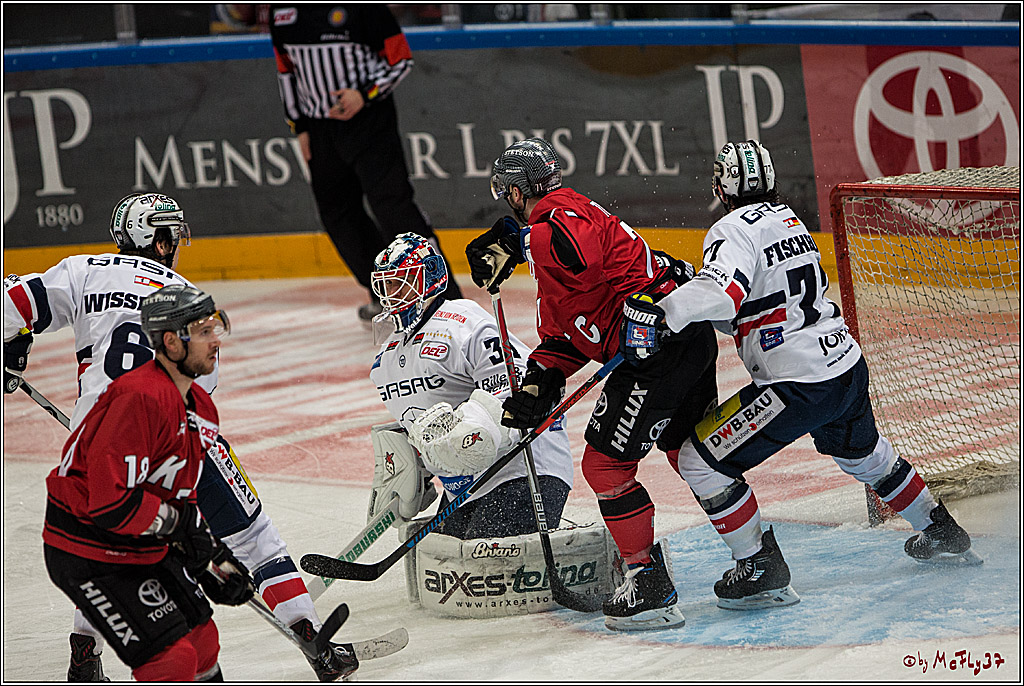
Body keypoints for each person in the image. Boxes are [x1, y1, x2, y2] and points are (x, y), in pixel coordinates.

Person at [3, 193, 358, 682]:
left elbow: (9, 304)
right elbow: (201, 385)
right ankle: (312, 637)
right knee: (252, 536)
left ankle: (85, 651)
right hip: (176, 435)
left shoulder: (85, 270)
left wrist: (14, 343)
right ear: (161, 239)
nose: (174, 246)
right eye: (171, 236)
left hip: (96, 447)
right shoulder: (186, 295)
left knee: (117, 547)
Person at [618, 139, 978, 611]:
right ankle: (941, 529)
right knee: (865, 455)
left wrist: (663, 313)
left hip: (796, 382)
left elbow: (724, 295)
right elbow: (752, 306)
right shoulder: (790, 220)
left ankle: (759, 565)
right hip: (845, 366)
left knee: (699, 461)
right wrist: (694, 288)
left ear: (723, 186)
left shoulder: (729, 228)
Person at [464, 138, 720, 631]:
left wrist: (517, 244)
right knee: (691, 452)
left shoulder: (562, 213)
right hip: (676, 342)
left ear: (517, 193)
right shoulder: (550, 238)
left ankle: (648, 585)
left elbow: (583, 258)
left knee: (604, 465)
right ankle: (758, 561)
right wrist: (540, 381)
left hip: (657, 346)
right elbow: (570, 334)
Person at [42, 285, 254, 681]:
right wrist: (179, 528)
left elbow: (179, 497)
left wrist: (210, 557)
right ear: (171, 342)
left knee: (204, 642)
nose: (215, 341)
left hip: (136, 539)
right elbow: (109, 505)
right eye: (203, 331)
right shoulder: (138, 398)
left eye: (215, 327)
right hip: (87, 547)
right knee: (171, 661)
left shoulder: (202, 408)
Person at [367, 232, 574, 539]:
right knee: (446, 568)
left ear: (430, 278)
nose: (393, 293)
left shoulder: (463, 322)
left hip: (522, 472)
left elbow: (522, 388)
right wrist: (409, 466)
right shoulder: (384, 360)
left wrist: (473, 431)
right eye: (387, 284)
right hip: (463, 490)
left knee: (489, 567)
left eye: (402, 281)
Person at [269, 4, 463, 322]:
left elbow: (401, 60)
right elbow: (285, 71)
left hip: (370, 122)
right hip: (320, 131)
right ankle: (387, 294)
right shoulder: (283, 12)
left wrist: (364, 93)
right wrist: (300, 126)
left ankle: (446, 299)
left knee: (394, 209)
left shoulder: (364, 8)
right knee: (338, 217)